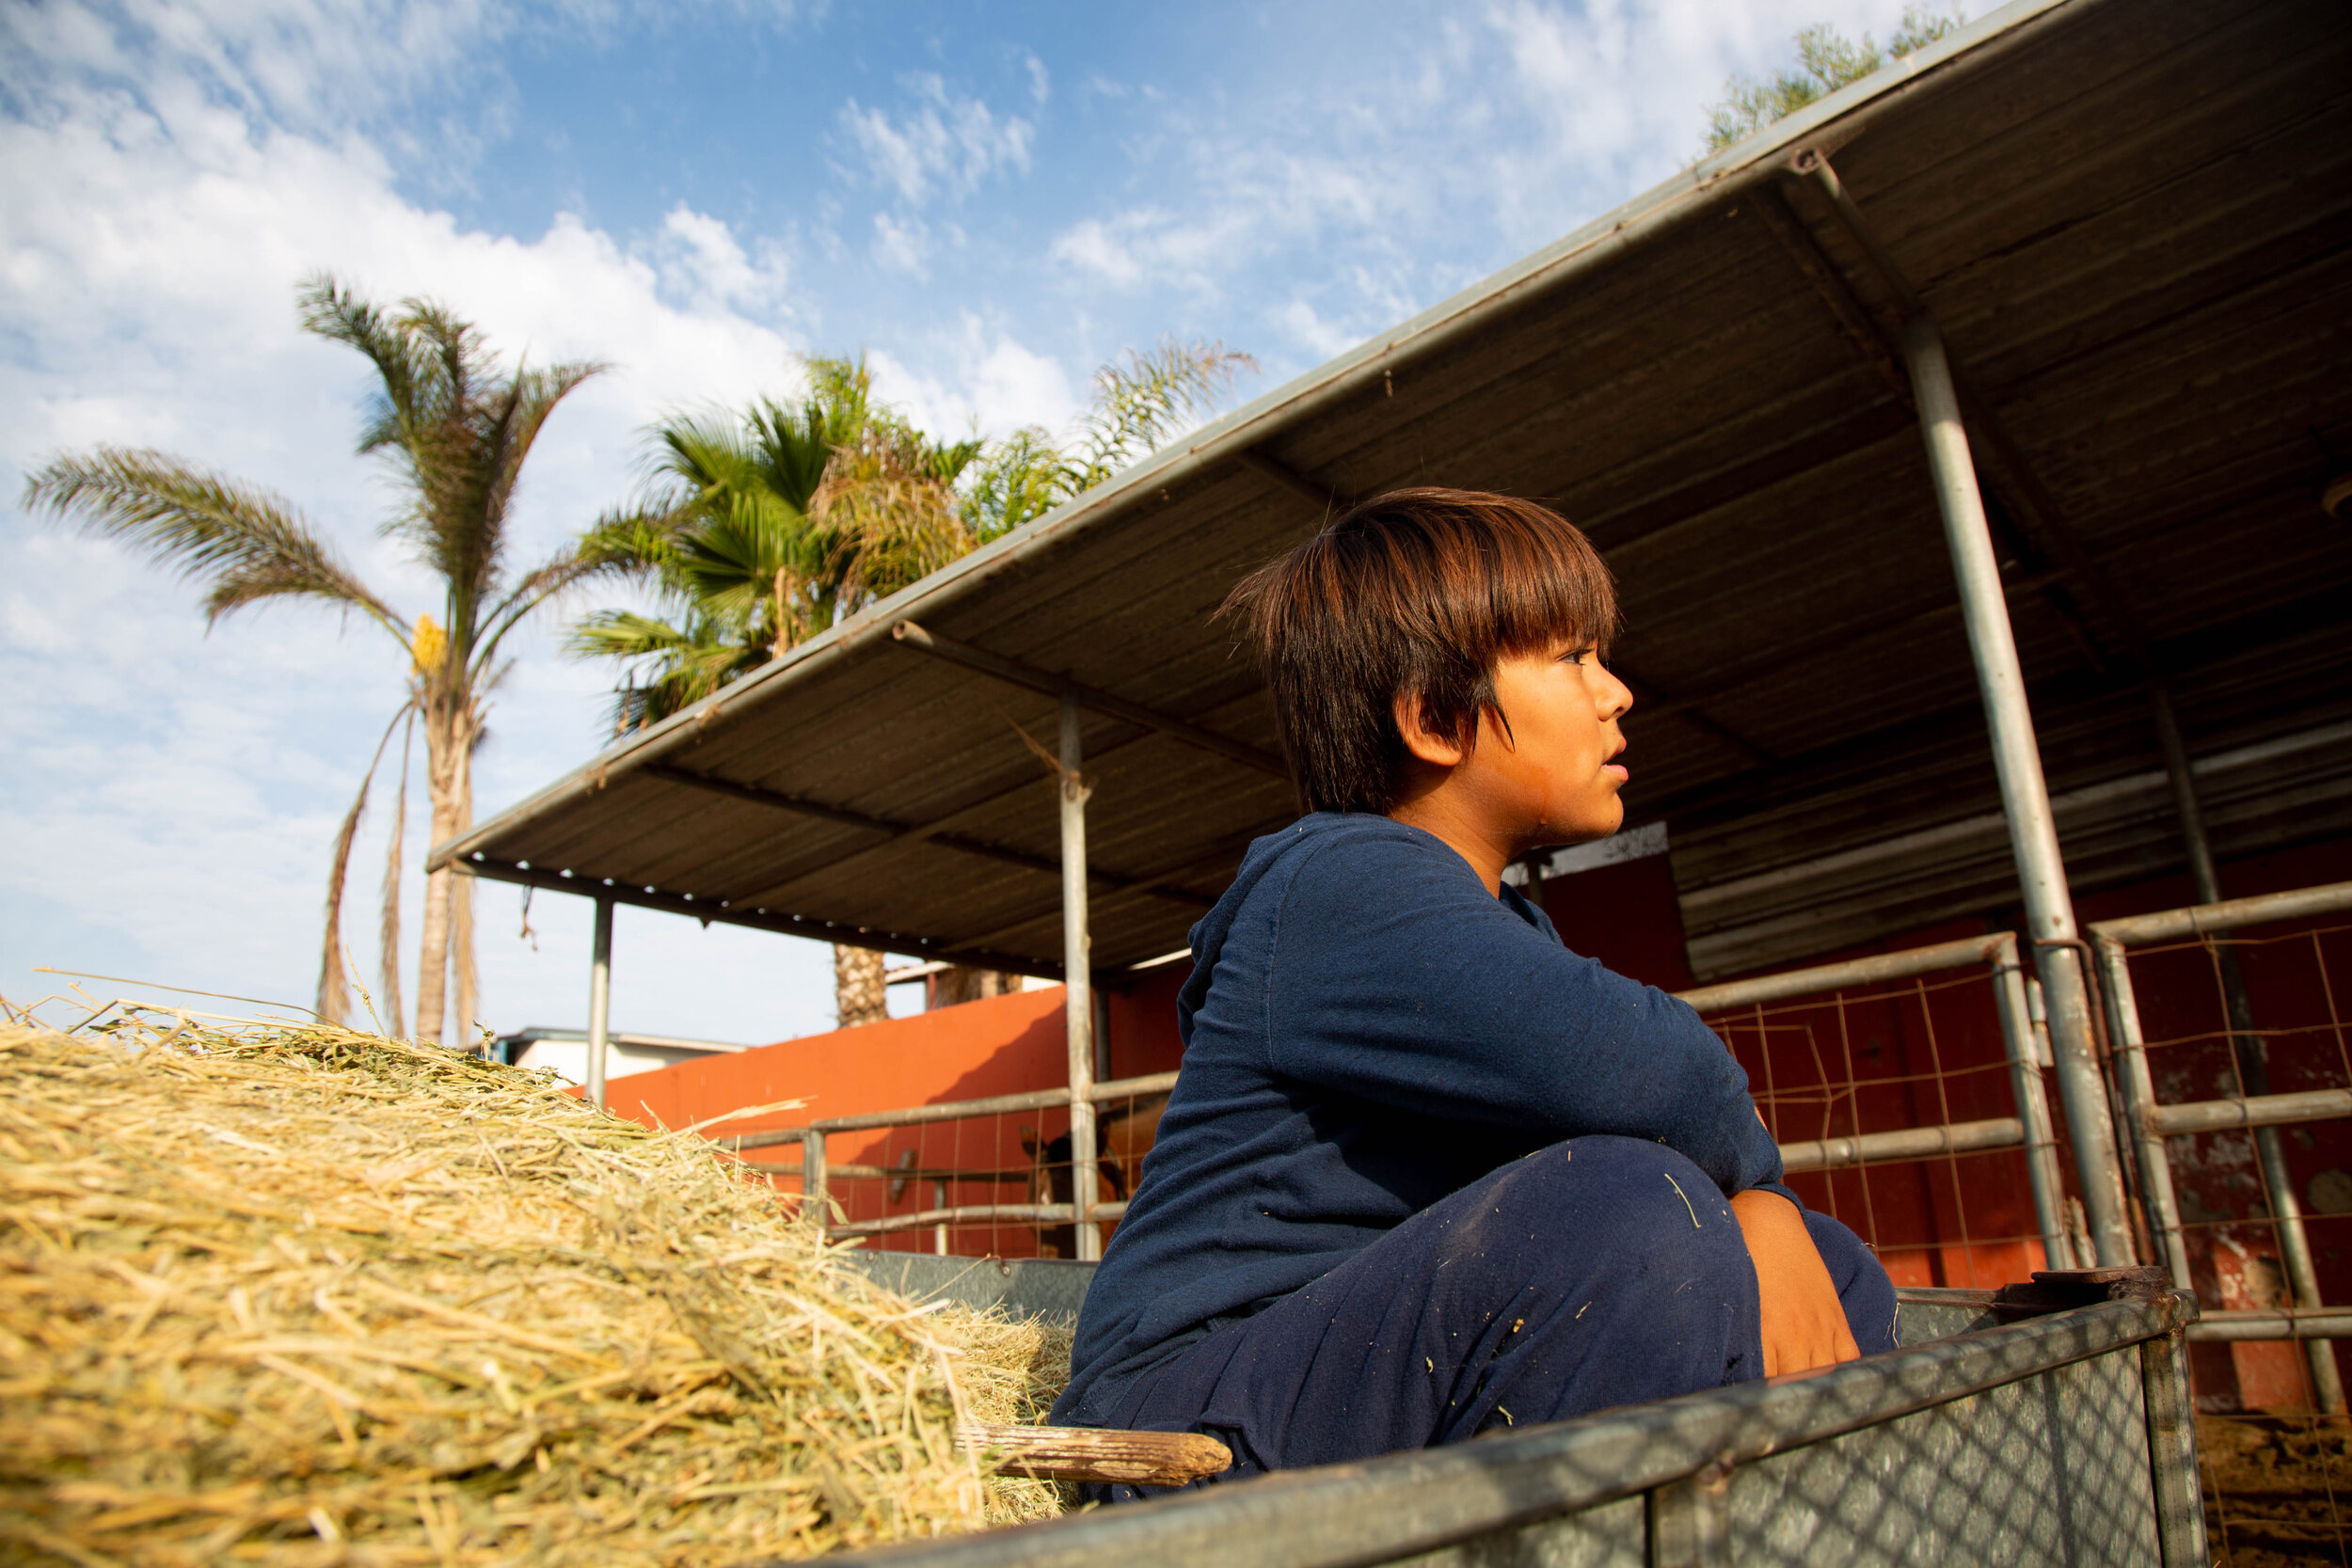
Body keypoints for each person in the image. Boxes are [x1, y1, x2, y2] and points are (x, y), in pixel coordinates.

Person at [1048, 487, 1897, 1497]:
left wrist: (1765, 1213)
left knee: (1827, 1263)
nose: (1615, 690)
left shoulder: (1495, 926)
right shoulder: (1341, 882)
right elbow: (1652, 1074)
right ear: (1434, 719)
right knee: (1630, 1208)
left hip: (1349, 1384)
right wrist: (1752, 1188)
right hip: (1174, 1427)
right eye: (1573, 656)